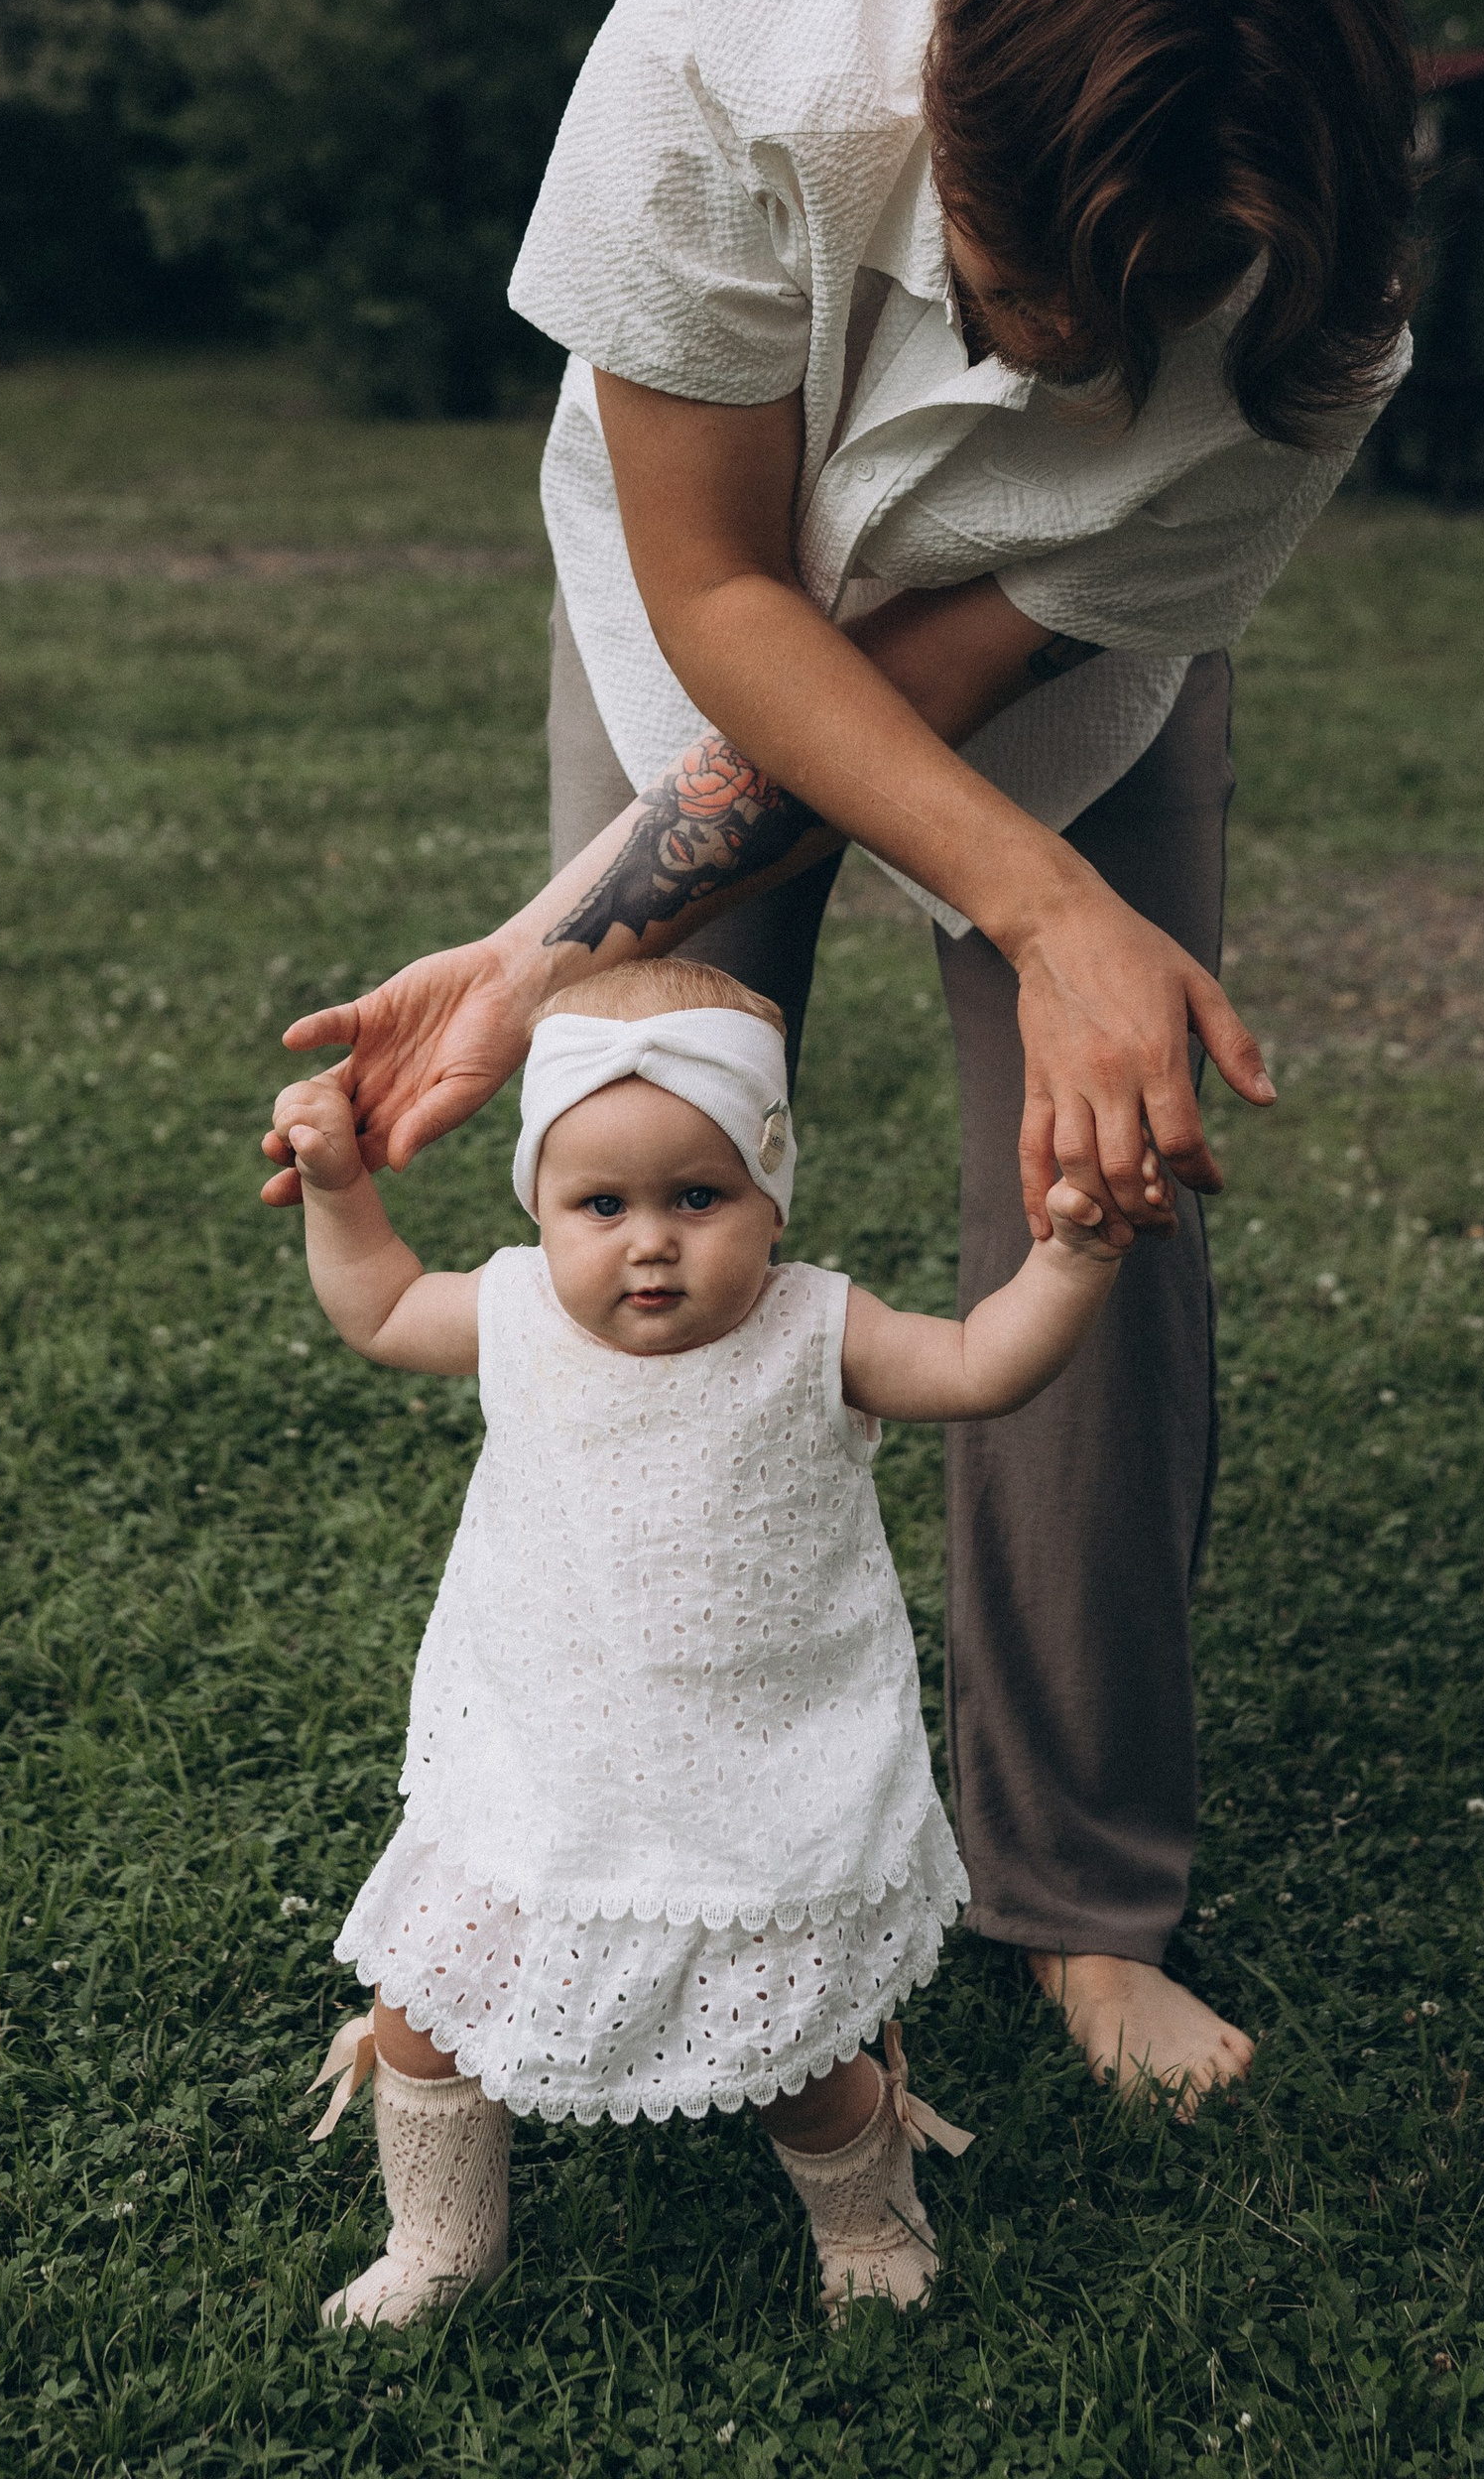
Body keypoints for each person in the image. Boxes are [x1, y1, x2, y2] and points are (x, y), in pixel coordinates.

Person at [274, 0, 1417, 2107]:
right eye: (1017, 284)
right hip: (691, 612)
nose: (1046, 363)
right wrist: (541, 965)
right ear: (928, 113)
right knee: (631, 1204)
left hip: (1062, 675)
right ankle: (569, 1857)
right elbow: (728, 611)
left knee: (1102, 1189)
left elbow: (941, 680)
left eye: (1130, 316)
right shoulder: (719, 56)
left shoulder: (1318, 310)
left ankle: (1077, 1905)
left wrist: (1056, 908)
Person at [271, 961, 1126, 2326]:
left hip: (757, 1773)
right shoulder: (513, 1313)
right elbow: (375, 1306)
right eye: (599, 1205)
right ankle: (440, 2237)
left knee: (794, 2047)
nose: (649, 1243)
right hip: (540, 1761)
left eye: (698, 1198)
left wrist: (1071, 1262)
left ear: (773, 1196)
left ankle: (865, 2222)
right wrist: (339, 1190)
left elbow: (978, 1367)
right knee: (428, 2007)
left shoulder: (816, 1331)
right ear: (540, 1206)